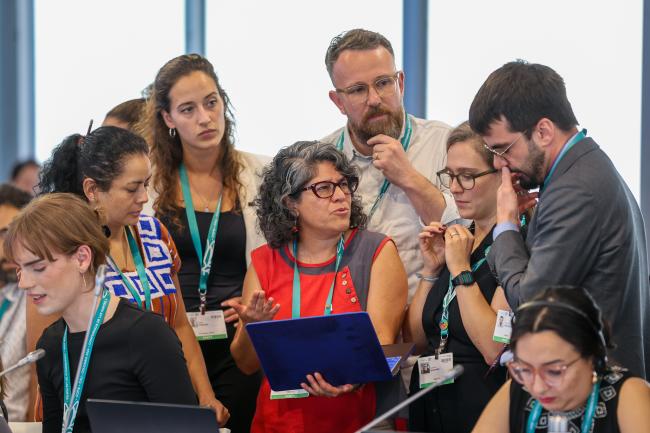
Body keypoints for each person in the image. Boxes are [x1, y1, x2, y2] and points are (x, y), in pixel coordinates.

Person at [34, 126, 228, 423]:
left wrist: (205, 394)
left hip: (166, 394)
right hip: (97, 407)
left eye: (147, 185)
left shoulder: (154, 233)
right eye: (131, 188)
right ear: (92, 190)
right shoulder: (68, 252)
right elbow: (49, 349)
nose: (144, 198)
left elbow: (178, 324)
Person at [468, 60, 650, 378]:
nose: (499, 164)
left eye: (503, 149)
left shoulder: (575, 190)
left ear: (543, 131)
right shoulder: (586, 167)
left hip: (589, 394)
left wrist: (507, 225)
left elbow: (531, 304)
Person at [230, 141, 408, 433]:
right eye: (324, 188)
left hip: (357, 419)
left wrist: (351, 379)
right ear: (290, 202)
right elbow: (246, 365)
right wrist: (252, 326)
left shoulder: (376, 251)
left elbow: (381, 345)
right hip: (279, 423)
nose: (340, 196)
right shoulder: (265, 261)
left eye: (344, 184)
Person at [144, 53, 268, 433]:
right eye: (188, 109)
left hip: (238, 339)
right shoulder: (147, 183)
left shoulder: (260, 173)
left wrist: (253, 304)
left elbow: (274, 255)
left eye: (211, 102)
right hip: (170, 337)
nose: (204, 117)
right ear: (167, 119)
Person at [4, 193, 197, 433]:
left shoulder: (147, 335)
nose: (24, 284)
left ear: (82, 258)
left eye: (38, 267)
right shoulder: (51, 345)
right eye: (21, 270)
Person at [321, 28, 459, 299]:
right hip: (347, 320)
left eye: (384, 83)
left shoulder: (446, 144)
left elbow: (467, 233)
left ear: (401, 83)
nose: (374, 99)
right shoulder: (319, 161)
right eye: (358, 90)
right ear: (338, 101)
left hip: (430, 323)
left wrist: (409, 177)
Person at [404, 122, 510, 432]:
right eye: (450, 175)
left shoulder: (515, 246)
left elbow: (495, 348)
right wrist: (431, 269)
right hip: (430, 404)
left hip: (480, 409)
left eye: (467, 176)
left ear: (502, 174)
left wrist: (462, 270)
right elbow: (416, 342)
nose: (454, 187)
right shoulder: (458, 239)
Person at [473, 286, 650, 433]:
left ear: (592, 356)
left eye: (554, 371)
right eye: (524, 369)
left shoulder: (628, 394)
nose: (538, 387)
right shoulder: (517, 390)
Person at [0, 184, 32, 421]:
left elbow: (40, 388)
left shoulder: (36, 296)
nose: (9, 246)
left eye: (15, 233)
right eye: (2, 234)